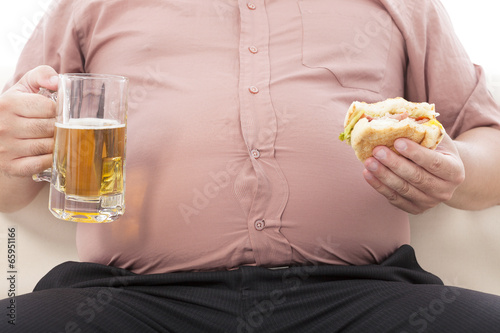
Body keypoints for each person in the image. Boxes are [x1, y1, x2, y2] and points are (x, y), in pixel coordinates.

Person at [1, 0, 500, 332]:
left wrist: (457, 169)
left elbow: (488, 146)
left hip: (365, 295)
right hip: (126, 300)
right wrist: (7, 153)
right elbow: (12, 189)